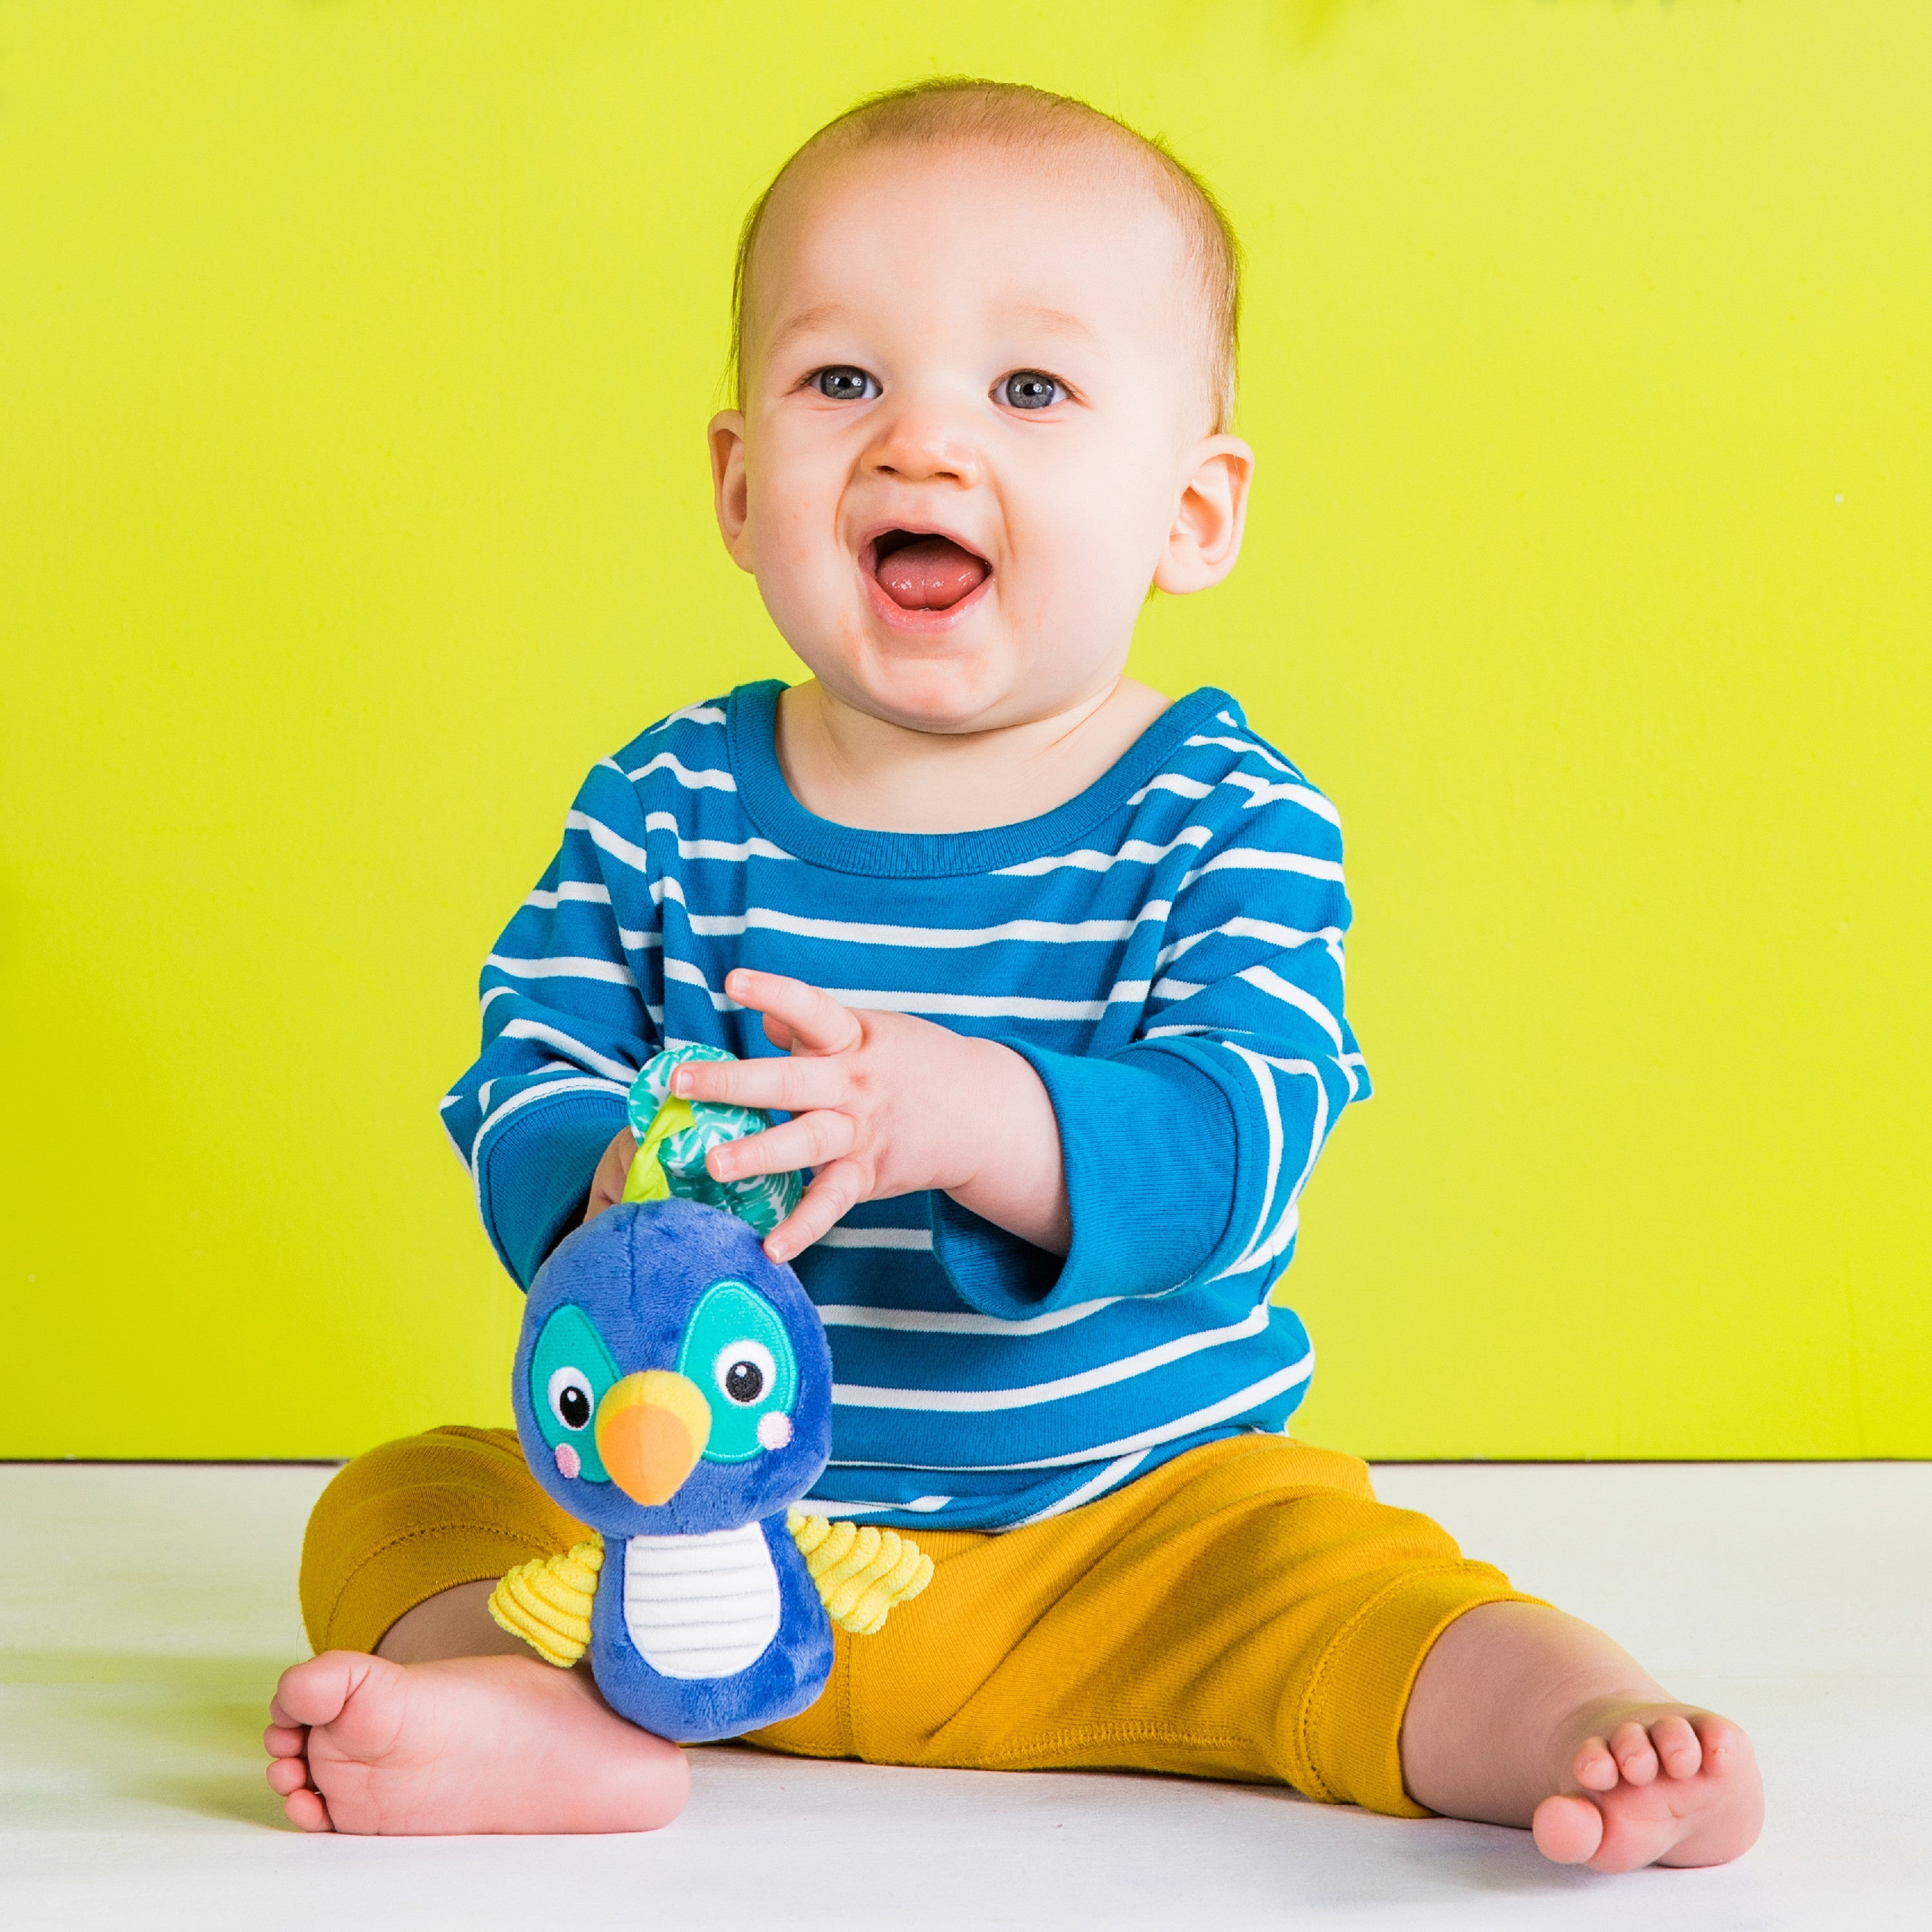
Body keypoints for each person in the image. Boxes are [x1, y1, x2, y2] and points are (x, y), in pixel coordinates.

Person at [263, 79, 1761, 1870]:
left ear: (1191, 513)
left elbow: (1240, 1136)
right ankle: (540, 1719)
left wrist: (980, 1120)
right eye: (843, 380)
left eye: (1030, 390)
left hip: (1120, 1545)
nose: (921, 445)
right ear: (738, 486)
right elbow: (530, 1066)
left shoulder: (1225, 817)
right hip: (690, 1545)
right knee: (401, 1500)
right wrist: (601, 1188)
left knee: (1343, 1580)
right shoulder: (663, 803)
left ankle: (1581, 1725)